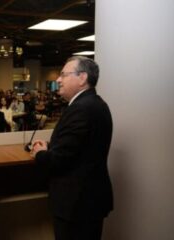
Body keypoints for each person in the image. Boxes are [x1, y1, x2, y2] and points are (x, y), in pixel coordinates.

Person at [31, 56, 113, 240]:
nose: (58, 80)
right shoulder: (97, 104)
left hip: (77, 204)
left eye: (63, 75)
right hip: (89, 200)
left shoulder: (80, 109)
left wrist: (40, 153)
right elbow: (82, 146)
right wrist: (51, 146)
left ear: (82, 78)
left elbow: (59, 160)